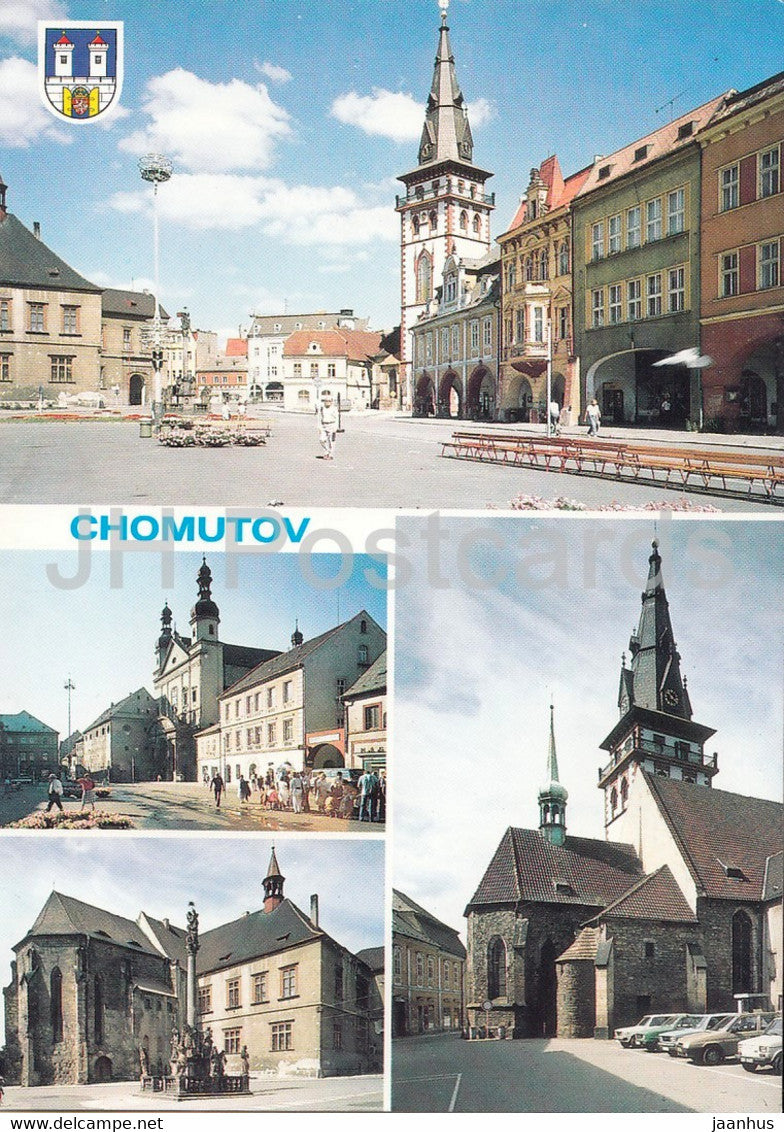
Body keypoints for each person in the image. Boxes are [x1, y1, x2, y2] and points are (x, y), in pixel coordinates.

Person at [317, 393, 339, 460]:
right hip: (324, 425)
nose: (327, 402)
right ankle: (327, 451)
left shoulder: (334, 409)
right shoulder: (322, 408)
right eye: (326, 401)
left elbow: (337, 418)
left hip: (332, 425)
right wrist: (319, 426)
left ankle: (330, 454)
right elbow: (320, 417)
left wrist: (336, 427)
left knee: (331, 441)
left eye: (329, 401)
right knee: (322, 440)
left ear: (331, 402)